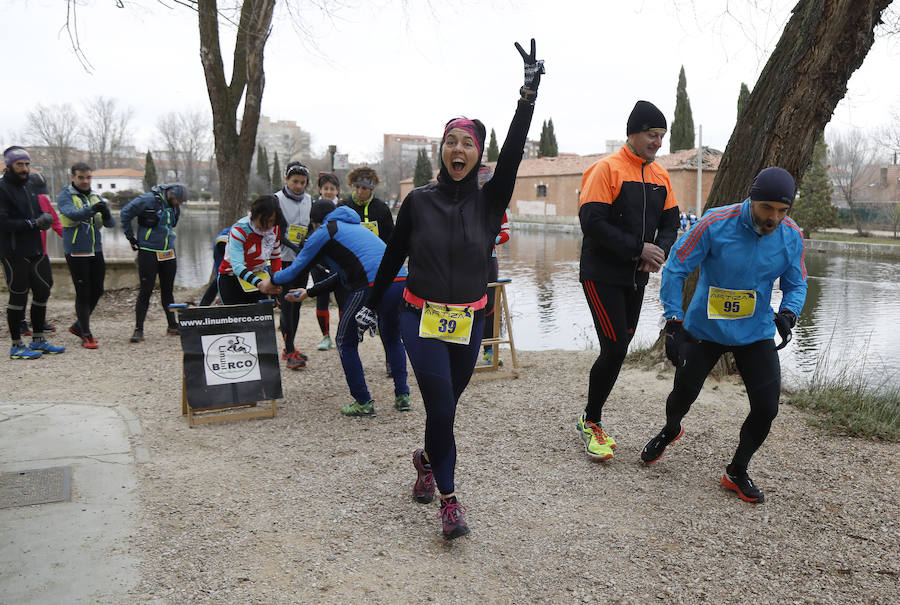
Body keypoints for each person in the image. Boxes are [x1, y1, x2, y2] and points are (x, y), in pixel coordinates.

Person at [356, 39, 543, 540]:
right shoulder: (417, 202)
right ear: (441, 150)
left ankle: (424, 459)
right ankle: (450, 501)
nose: (458, 150)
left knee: (446, 409)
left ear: (479, 154)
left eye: (468, 143)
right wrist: (372, 306)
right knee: (441, 407)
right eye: (450, 142)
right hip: (419, 317)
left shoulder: (491, 200)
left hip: (469, 320)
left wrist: (528, 95)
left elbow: (518, 151)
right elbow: (393, 257)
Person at [640, 167, 807, 504]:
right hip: (705, 329)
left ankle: (737, 470)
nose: (773, 218)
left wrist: (789, 312)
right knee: (682, 396)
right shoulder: (715, 223)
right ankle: (671, 429)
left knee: (767, 407)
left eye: (782, 210)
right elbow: (676, 267)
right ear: (752, 198)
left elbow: (797, 282)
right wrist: (673, 320)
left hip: (755, 331)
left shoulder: (790, 235)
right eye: (767, 208)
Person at [575, 100, 680, 461]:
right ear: (633, 133)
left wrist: (658, 253)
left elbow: (671, 223)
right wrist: (639, 250)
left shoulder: (660, 176)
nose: (657, 143)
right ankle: (592, 422)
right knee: (616, 348)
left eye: (661, 137)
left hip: (636, 277)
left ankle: (590, 417)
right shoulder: (605, 169)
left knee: (618, 348)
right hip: (601, 274)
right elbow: (593, 223)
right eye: (653, 135)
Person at [272, 202, 410, 416]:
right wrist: (309, 293)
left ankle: (363, 402)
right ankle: (403, 396)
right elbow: (343, 274)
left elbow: (295, 269)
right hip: (400, 281)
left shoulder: (325, 230)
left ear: (315, 222)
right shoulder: (355, 228)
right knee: (392, 337)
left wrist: (271, 280)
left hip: (370, 286)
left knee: (345, 342)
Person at [0, 146, 66, 359]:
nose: (24, 168)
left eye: (27, 164)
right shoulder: (2, 188)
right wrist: (32, 223)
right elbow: (3, 222)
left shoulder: (29, 186)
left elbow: (36, 214)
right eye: (20, 164)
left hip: (36, 248)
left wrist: (44, 219)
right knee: (18, 295)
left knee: (43, 290)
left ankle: (38, 339)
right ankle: (16, 345)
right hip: (13, 251)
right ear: (9, 166)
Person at [56, 162, 114, 349]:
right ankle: (86, 334)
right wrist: (93, 209)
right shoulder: (65, 195)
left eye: (88, 177)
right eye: (81, 177)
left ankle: (79, 326)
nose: (85, 181)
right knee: (83, 292)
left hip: (95, 248)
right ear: (72, 177)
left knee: (97, 289)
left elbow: (111, 224)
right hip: (76, 249)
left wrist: (105, 213)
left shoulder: (95, 196)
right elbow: (72, 215)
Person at [120, 183, 186, 343]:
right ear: (170, 193)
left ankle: (172, 325)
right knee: (146, 290)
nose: (179, 204)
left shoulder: (175, 205)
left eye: (181, 202)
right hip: (148, 252)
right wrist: (131, 237)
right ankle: (138, 329)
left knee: (168, 291)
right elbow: (125, 213)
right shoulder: (147, 200)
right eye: (178, 200)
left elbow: (173, 224)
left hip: (168, 252)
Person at [275, 162, 313, 370]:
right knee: (286, 305)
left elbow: (309, 227)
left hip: (302, 260)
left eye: (302, 183)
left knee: (296, 302)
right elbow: (277, 232)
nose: (299, 186)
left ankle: (290, 346)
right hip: (282, 258)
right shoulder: (277, 199)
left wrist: (306, 243)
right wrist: (294, 247)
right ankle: (289, 351)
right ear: (287, 180)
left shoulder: (309, 200)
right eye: (295, 181)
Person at [217, 195, 283, 304]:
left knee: (261, 318)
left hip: (259, 275)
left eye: (272, 221)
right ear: (254, 215)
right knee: (237, 319)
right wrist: (259, 284)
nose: (268, 225)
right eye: (264, 220)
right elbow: (237, 266)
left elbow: (275, 257)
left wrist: (276, 282)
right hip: (232, 278)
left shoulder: (274, 228)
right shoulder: (239, 230)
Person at [20, 172, 61, 336]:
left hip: (41, 251)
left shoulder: (43, 200)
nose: (39, 194)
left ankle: (38, 320)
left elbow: (55, 221)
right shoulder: (16, 200)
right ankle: (20, 322)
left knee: (45, 285)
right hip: (20, 252)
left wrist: (69, 240)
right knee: (21, 289)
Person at [477, 165, 510, 366]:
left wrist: (492, 240)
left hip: (490, 260)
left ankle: (488, 350)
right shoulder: (468, 202)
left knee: (489, 305)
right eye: (481, 184)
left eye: (486, 184)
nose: (484, 188)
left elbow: (506, 232)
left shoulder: (498, 205)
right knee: (469, 302)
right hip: (469, 261)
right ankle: (466, 348)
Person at [311, 172, 344, 351]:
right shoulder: (314, 208)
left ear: (337, 190)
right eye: (325, 188)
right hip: (318, 261)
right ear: (320, 190)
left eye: (332, 188)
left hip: (338, 261)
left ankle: (342, 335)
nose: (329, 192)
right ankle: (325, 337)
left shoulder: (343, 208)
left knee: (342, 299)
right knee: (321, 298)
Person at [340, 166, 393, 244]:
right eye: (357, 187)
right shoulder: (344, 206)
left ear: (371, 189)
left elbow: (390, 236)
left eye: (364, 188)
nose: (359, 191)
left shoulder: (382, 208)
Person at [198, 227, 231, 306]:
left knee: (218, 283)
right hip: (224, 242)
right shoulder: (225, 238)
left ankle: (203, 306)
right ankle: (202, 307)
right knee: (220, 280)